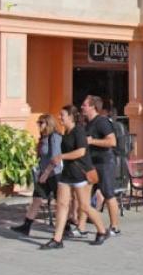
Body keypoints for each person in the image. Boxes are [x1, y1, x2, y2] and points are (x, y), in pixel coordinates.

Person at [40, 105, 108, 249]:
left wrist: (62, 156)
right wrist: (47, 171)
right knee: (62, 205)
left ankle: (102, 231)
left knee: (84, 206)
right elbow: (58, 158)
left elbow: (81, 152)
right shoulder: (66, 132)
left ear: (71, 116)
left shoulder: (79, 131)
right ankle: (57, 240)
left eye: (62, 115)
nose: (59, 117)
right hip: (67, 174)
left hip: (80, 174)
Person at [12, 114, 63, 236]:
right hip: (43, 174)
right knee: (37, 199)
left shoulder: (54, 137)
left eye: (41, 123)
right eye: (38, 123)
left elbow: (55, 158)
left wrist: (46, 173)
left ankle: (65, 227)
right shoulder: (43, 138)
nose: (38, 125)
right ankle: (26, 226)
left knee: (60, 202)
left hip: (54, 174)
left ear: (48, 124)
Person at [81, 95, 121, 237]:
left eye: (84, 105)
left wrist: (92, 141)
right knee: (84, 195)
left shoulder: (102, 122)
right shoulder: (88, 123)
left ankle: (115, 227)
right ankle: (81, 228)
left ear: (93, 107)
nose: (82, 107)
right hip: (92, 164)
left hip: (104, 163)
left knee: (108, 194)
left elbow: (112, 142)